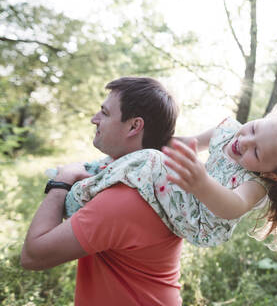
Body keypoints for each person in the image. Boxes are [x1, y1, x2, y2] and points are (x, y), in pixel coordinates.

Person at [63, 101, 277, 270]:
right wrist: (150, 137)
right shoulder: (230, 131)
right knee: (150, 158)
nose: (244, 142)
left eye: (256, 152)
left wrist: (201, 183)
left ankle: (81, 197)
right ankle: (94, 172)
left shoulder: (257, 184)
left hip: (201, 218)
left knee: (150, 163)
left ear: (271, 174)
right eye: (253, 129)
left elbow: (231, 207)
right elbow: (186, 143)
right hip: (189, 192)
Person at [21, 77, 183, 305]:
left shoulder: (124, 198)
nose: (93, 119)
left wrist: (61, 183)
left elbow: (32, 256)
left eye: (105, 114)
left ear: (134, 126)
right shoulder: (158, 178)